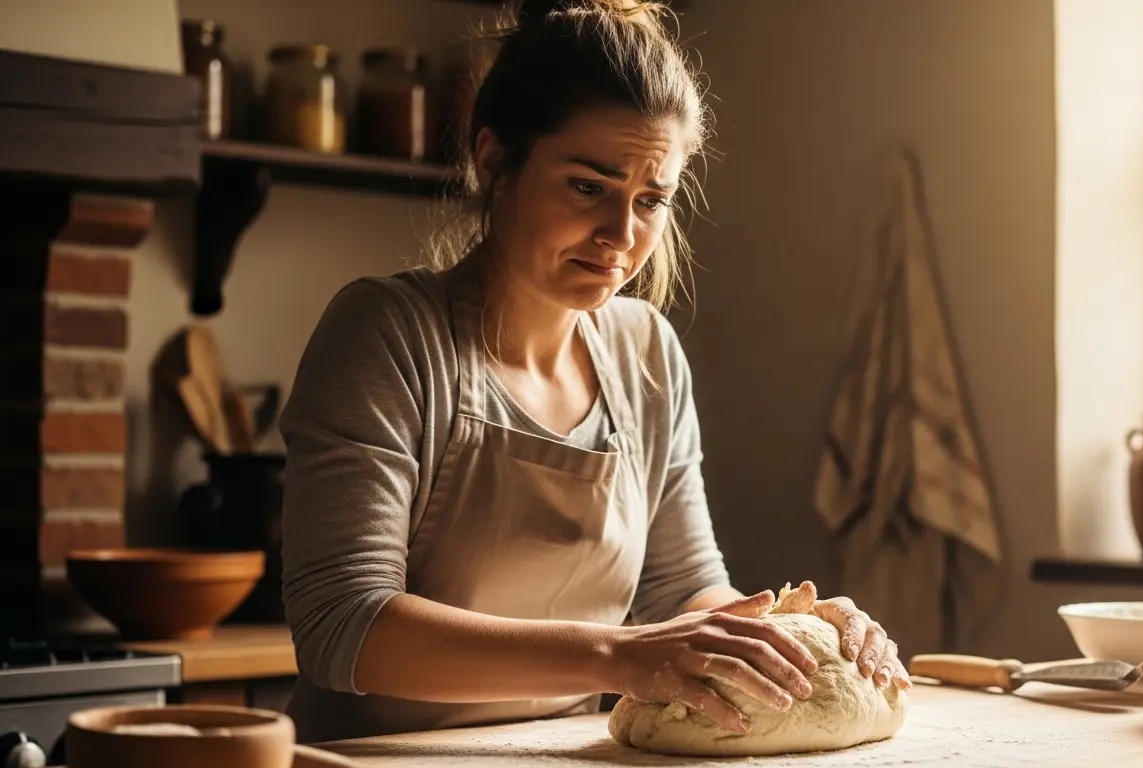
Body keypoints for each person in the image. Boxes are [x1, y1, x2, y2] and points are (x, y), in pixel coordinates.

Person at [278, 0, 911, 744]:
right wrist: (618, 654)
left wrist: (790, 634)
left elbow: (683, 591)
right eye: (588, 187)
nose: (620, 235)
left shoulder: (646, 354)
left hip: (556, 754)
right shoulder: (390, 335)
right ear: (493, 161)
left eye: (651, 200)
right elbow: (342, 624)